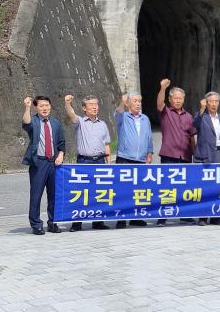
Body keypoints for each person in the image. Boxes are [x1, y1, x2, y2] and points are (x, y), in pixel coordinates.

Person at [65, 94, 111, 232]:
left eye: (96, 104)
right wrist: (67, 104)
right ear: (84, 108)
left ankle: (98, 221)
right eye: (91, 104)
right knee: (80, 192)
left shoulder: (102, 124)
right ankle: (76, 223)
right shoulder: (80, 122)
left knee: (100, 192)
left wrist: (109, 164)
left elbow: (107, 144)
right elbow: (71, 115)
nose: (95, 107)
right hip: (84, 161)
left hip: (100, 161)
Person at [22, 96, 65, 235]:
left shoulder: (56, 123)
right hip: (38, 162)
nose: (44, 108)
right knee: (36, 195)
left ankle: (53, 222)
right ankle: (36, 224)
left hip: (53, 163)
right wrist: (27, 107)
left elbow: (61, 142)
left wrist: (61, 155)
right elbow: (26, 123)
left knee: (54, 195)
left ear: (50, 106)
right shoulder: (34, 121)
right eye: (41, 106)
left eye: (46, 105)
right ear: (37, 107)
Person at [156, 79, 197, 226]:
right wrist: (162, 88)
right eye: (175, 98)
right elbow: (160, 104)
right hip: (169, 155)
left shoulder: (189, 116)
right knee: (167, 187)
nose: (178, 101)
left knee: (184, 187)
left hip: (185, 157)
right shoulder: (166, 112)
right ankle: (163, 216)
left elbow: (192, 137)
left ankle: (184, 214)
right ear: (170, 99)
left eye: (180, 98)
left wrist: (194, 154)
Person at [115, 92, 153, 228]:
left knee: (139, 190)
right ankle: (121, 218)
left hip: (141, 160)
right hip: (125, 158)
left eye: (140, 101)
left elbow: (149, 137)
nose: (138, 104)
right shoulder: (123, 117)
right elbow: (118, 111)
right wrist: (122, 102)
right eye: (135, 101)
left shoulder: (145, 119)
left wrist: (150, 152)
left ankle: (136, 217)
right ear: (129, 103)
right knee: (123, 190)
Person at [193, 91, 220, 226]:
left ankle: (216, 216)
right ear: (206, 102)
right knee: (204, 187)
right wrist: (201, 109)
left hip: (219, 154)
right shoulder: (202, 116)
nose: (214, 104)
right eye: (211, 101)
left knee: (218, 187)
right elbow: (195, 124)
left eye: (216, 101)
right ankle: (203, 216)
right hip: (205, 156)